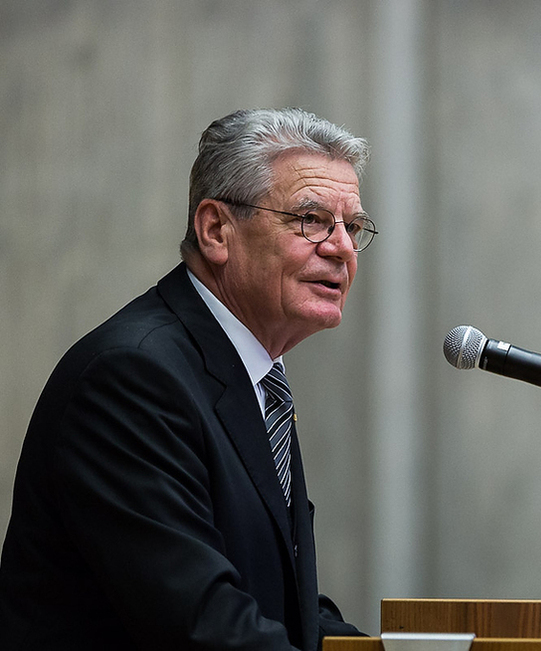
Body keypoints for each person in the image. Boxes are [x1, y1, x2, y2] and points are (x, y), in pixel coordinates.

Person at [0, 108, 377, 650]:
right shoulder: (132, 378)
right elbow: (204, 624)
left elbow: (282, 605)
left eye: (354, 227)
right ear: (216, 230)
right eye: (310, 220)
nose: (342, 246)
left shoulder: (254, 376)